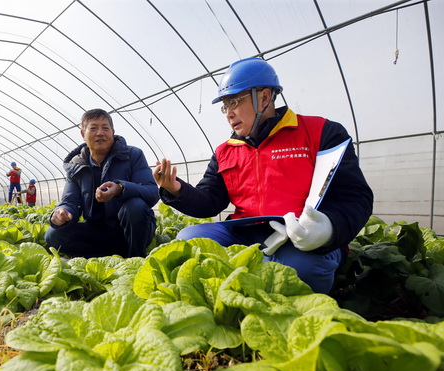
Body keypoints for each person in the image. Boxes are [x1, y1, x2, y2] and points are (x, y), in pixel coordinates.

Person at [154, 57, 373, 294]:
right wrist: (176, 189)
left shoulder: (322, 132)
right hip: (245, 232)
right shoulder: (225, 151)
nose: (228, 113)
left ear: (264, 98)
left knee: (296, 272)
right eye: (224, 106)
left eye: (234, 102)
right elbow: (210, 201)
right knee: (187, 242)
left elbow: (355, 196)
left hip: (300, 235)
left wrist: (328, 229)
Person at [45, 108, 159, 258]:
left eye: (105, 128)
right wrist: (61, 213)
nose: (100, 133)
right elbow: (70, 201)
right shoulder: (77, 165)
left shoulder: (132, 155)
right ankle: (110, 255)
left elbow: (152, 192)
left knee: (135, 206)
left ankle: (135, 257)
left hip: (130, 231)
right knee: (53, 235)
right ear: (83, 134)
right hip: (97, 231)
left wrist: (120, 188)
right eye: (93, 128)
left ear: (112, 132)